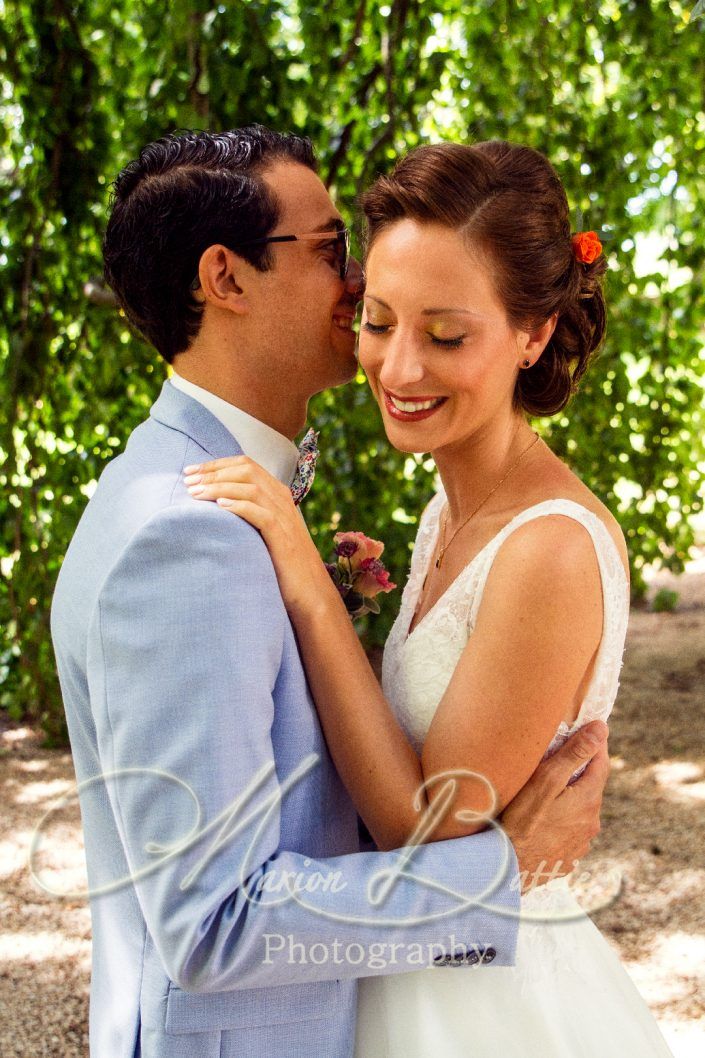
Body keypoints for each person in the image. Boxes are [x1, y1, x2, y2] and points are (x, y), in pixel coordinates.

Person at [50, 127, 607, 1058]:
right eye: (330, 250)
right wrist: (498, 869)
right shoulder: (186, 534)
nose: (355, 288)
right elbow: (213, 923)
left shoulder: (194, 489)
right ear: (225, 279)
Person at [186, 140, 675, 1056]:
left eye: (445, 335)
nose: (398, 369)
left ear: (531, 335)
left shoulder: (549, 550)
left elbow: (422, 827)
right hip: (404, 964)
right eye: (377, 321)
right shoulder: (442, 511)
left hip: (486, 1007)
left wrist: (303, 573)